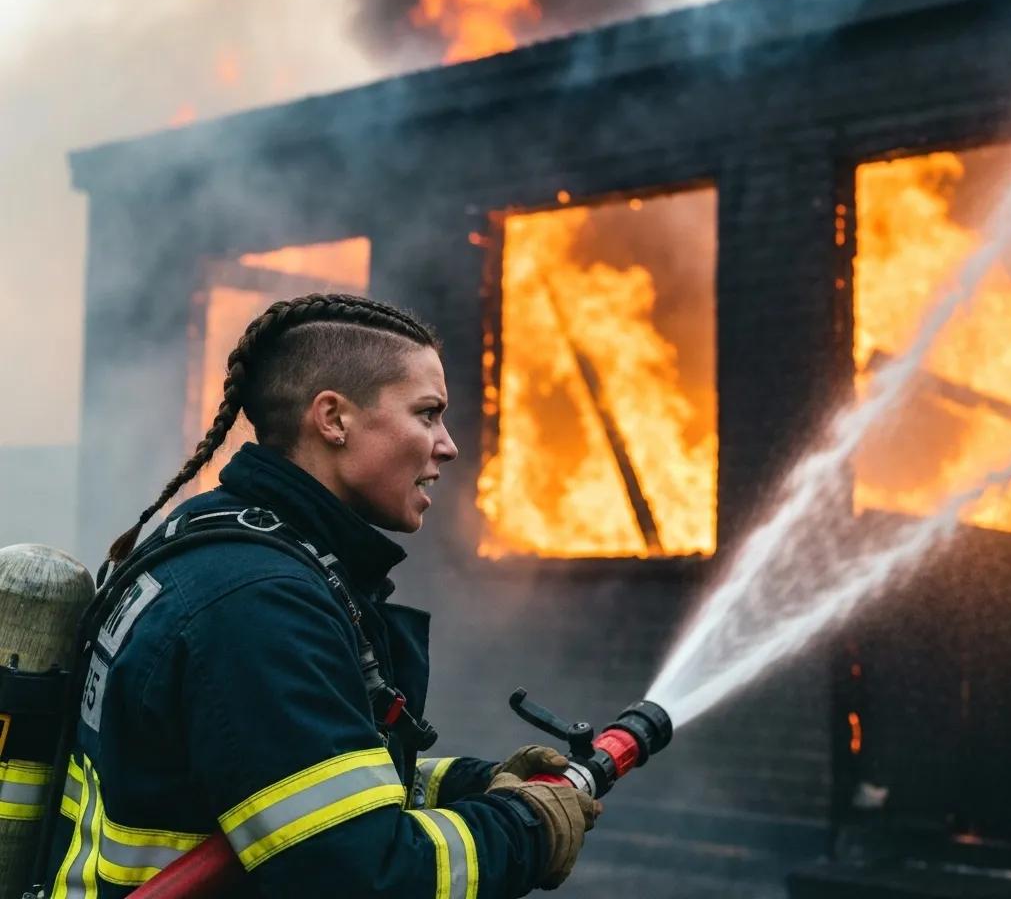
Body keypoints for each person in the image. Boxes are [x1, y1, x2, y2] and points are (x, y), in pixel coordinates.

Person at [45, 293, 597, 899]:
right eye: (427, 414)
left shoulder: (219, 543)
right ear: (333, 419)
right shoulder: (257, 604)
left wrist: (474, 783)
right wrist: (523, 828)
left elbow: (291, 778)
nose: (448, 444)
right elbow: (361, 876)